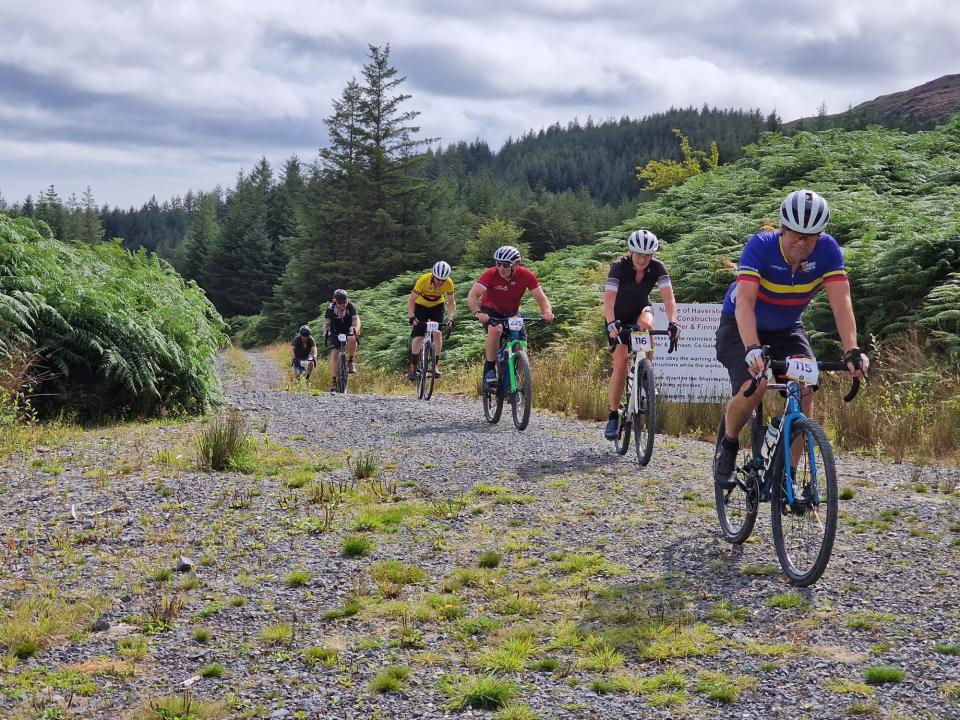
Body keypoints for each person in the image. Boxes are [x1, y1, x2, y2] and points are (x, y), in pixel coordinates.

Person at [713, 189, 869, 488]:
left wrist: (851, 350)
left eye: (810, 238)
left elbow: (841, 302)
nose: (801, 242)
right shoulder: (760, 246)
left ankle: (788, 477)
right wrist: (751, 348)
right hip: (740, 324)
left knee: (805, 386)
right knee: (753, 385)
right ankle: (729, 445)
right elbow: (745, 302)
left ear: (820, 236)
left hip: (786, 327)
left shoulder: (828, 251)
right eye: (795, 235)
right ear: (782, 229)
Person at [602, 229, 680, 440]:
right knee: (620, 362)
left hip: (639, 312)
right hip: (617, 317)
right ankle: (612, 415)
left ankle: (646, 370)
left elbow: (669, 299)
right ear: (630, 251)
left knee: (647, 324)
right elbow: (608, 300)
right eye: (638, 254)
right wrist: (610, 323)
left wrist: (673, 322)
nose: (643, 259)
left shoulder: (657, 268)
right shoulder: (619, 267)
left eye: (647, 255)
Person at [466, 245, 554, 388]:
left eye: (505, 265)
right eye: (498, 263)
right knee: (496, 330)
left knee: (521, 346)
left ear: (516, 264)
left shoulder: (526, 275)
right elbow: (472, 295)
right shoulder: (490, 274)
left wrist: (547, 312)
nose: (501, 268)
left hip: (512, 312)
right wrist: (477, 312)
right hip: (490, 310)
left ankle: (516, 387)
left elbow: (541, 298)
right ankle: (489, 369)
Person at [407, 260, 456, 380]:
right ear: (433, 275)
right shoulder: (424, 280)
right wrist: (412, 317)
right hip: (420, 306)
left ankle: (435, 365)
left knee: (438, 333)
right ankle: (413, 367)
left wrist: (450, 318)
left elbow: (451, 302)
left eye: (443, 280)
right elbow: (411, 300)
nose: (440, 282)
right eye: (438, 279)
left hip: (437, 306)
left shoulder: (449, 283)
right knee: (418, 337)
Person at [323, 289, 361, 392]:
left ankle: (351, 361)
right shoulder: (330, 309)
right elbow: (326, 323)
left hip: (347, 327)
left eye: (345, 302)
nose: (343, 304)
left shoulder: (351, 307)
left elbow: (356, 320)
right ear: (335, 301)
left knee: (352, 337)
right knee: (335, 354)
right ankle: (334, 381)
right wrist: (326, 332)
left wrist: (356, 329)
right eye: (340, 303)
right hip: (335, 330)